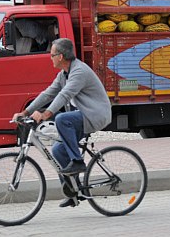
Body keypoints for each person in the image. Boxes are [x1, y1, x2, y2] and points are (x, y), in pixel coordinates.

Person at [12, 38, 112, 207]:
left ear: (61, 56)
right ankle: (73, 191)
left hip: (95, 115)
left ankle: (78, 162)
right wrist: (26, 112)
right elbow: (48, 94)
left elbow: (64, 95)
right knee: (58, 150)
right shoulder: (64, 73)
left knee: (61, 119)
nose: (50, 58)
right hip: (83, 115)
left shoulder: (79, 72)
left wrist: (46, 113)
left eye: (52, 55)